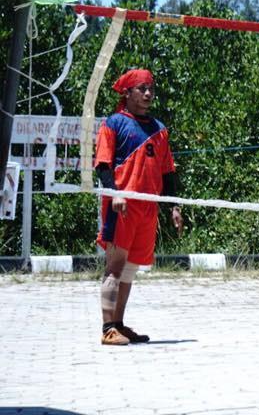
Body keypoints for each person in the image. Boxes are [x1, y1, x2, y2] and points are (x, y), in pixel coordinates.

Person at [95, 69, 182, 345]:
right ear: (127, 93)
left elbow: (168, 172)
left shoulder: (160, 129)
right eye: (142, 89)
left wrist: (174, 206)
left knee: (131, 269)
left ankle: (119, 324)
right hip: (122, 206)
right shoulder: (114, 123)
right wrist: (115, 193)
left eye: (151, 89)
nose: (148, 94)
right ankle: (108, 328)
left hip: (148, 209)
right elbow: (103, 164)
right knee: (115, 267)